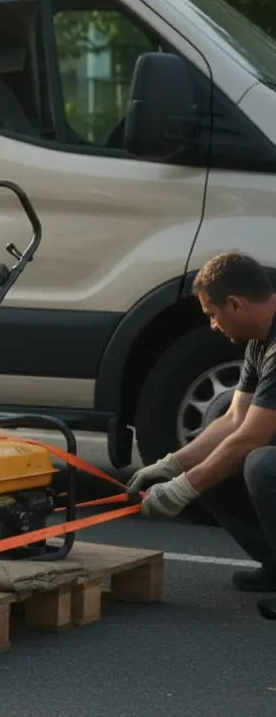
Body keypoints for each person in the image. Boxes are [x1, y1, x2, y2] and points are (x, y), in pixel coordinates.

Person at [128, 251, 276, 620]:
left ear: (235, 304)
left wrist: (182, 489)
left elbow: (251, 438)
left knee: (261, 464)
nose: (212, 325)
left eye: (211, 314)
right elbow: (233, 421)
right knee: (220, 465)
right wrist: (171, 466)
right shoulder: (261, 342)